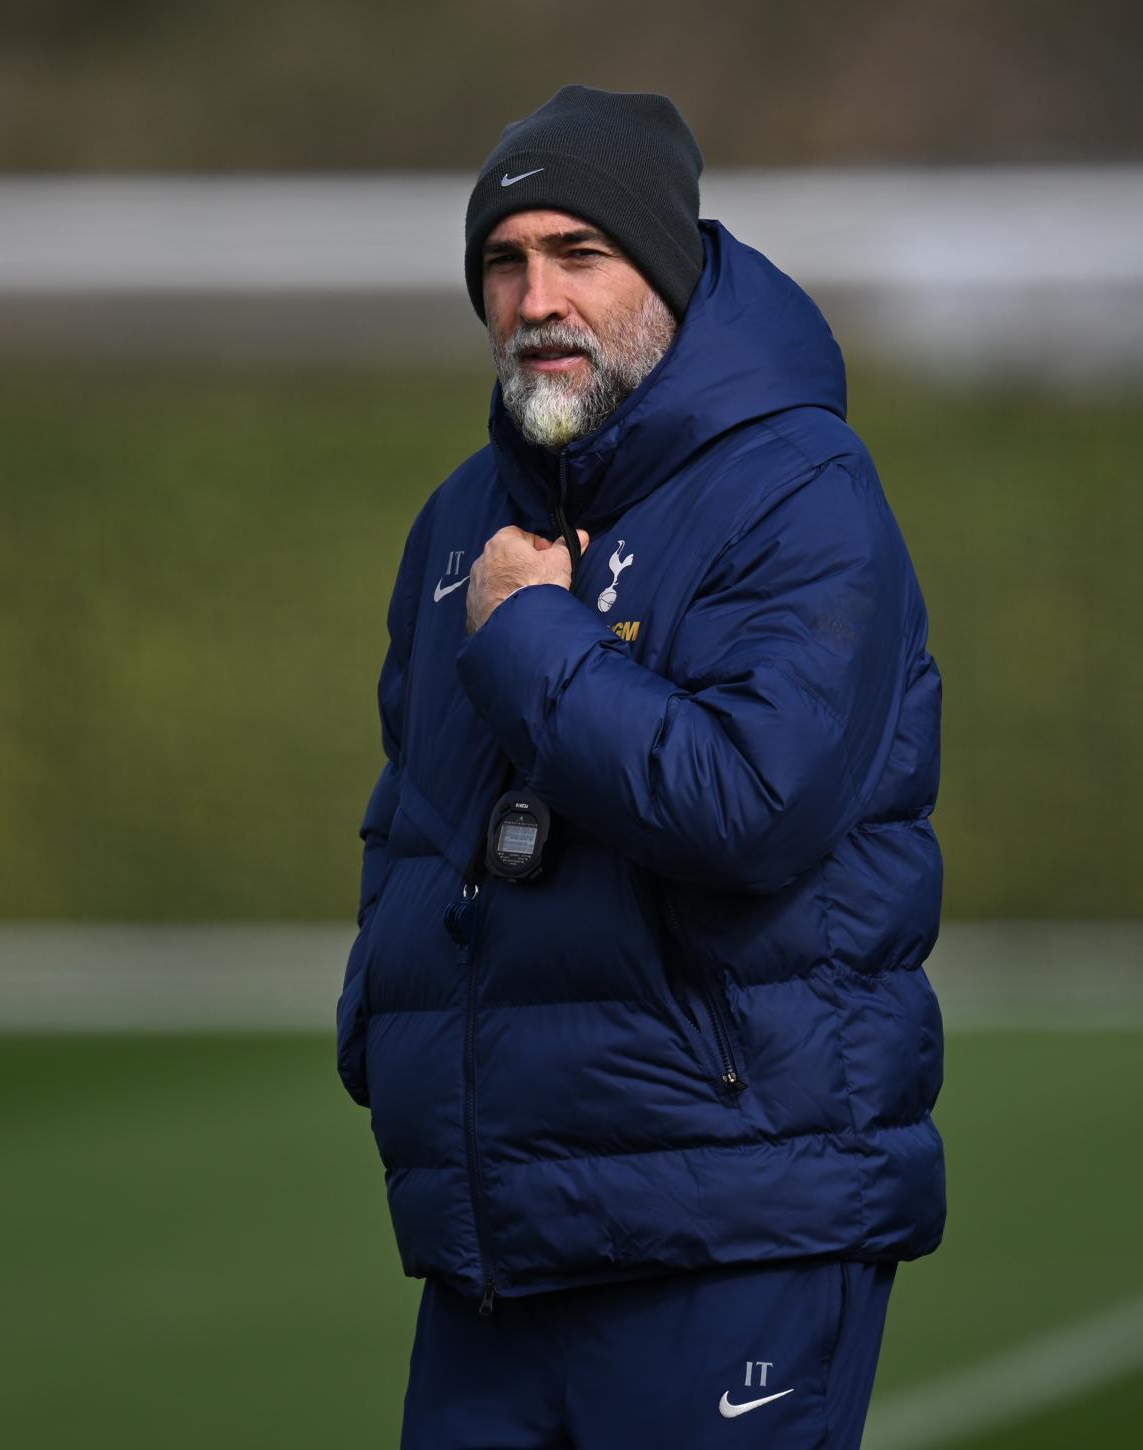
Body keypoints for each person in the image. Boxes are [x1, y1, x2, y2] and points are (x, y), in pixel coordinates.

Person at [335, 84, 945, 1450]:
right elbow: (413, 820)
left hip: (734, 1231)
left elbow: (752, 805)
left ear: (664, 271)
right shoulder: (457, 521)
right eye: (505, 260)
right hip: (497, 1245)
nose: (535, 294)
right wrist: (383, 1026)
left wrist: (536, 632)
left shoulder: (799, 490)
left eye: (579, 253)